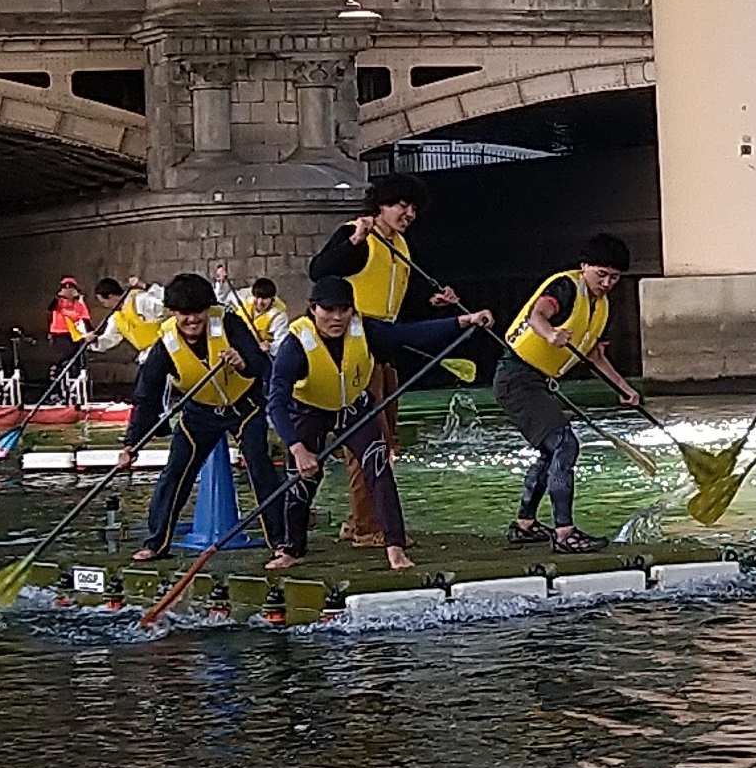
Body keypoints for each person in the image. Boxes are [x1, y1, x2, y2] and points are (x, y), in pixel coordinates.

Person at [266, 276, 493, 572]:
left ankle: (394, 547)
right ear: (313, 309)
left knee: (379, 467)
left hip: (353, 408)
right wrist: (297, 448)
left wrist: (465, 321)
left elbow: (409, 335)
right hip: (308, 412)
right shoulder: (294, 346)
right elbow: (275, 402)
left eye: (344, 310)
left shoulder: (365, 329)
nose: (337, 318)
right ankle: (292, 549)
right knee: (302, 483)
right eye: (329, 310)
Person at [307, 173, 460, 546]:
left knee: (386, 441)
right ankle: (367, 528)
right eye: (400, 205)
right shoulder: (357, 234)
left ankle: (357, 519)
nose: (407, 213)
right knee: (367, 441)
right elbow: (320, 271)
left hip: (384, 346)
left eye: (412, 207)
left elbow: (395, 298)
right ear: (380, 205)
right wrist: (355, 240)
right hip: (354, 348)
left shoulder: (401, 245)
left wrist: (432, 302)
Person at [112, 273, 283, 561]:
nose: (192, 319)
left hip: (244, 407)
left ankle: (281, 542)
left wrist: (243, 364)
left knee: (260, 467)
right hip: (200, 412)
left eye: (198, 312)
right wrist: (131, 443)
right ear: (173, 313)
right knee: (175, 472)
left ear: (208, 309)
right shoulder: (165, 342)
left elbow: (262, 365)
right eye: (184, 314)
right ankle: (156, 544)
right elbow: (147, 395)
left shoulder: (229, 322)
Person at [496, 234, 639, 554]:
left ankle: (524, 526)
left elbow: (594, 357)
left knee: (552, 451)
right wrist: (551, 334)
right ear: (584, 266)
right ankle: (564, 534)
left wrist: (624, 389)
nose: (606, 282)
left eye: (614, 277)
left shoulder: (601, 306)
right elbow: (537, 316)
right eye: (600, 274)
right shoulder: (565, 287)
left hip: (536, 381)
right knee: (564, 443)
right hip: (515, 378)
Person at [212, 265, 289, 349]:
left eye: (264, 299)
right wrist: (222, 282)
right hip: (235, 347)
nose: (260, 302)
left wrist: (270, 346)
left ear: (272, 299)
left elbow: (282, 342)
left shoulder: (279, 317)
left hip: (257, 353)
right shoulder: (243, 300)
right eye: (257, 297)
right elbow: (222, 299)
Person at [46, 277, 92, 378]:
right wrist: (59, 296)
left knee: (77, 358)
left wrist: (91, 334)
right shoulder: (59, 302)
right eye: (65, 287)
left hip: (75, 335)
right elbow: (50, 307)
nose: (68, 289)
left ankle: (75, 380)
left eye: (71, 287)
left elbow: (85, 319)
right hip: (59, 334)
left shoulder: (79, 304)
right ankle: (55, 373)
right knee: (64, 356)